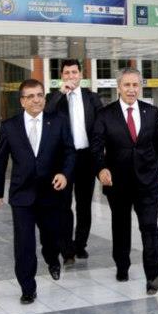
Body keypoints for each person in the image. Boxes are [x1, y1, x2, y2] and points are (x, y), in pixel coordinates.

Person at [0, 79, 76, 303]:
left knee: (51, 236)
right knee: (24, 243)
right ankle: (27, 287)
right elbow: (0, 161)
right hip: (22, 194)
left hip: (51, 192)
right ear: (22, 101)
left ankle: (52, 259)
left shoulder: (58, 121)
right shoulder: (10, 126)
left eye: (39, 95)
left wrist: (64, 174)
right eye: (30, 96)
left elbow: (70, 152)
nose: (36, 100)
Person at [91, 67, 158, 295]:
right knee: (121, 226)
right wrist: (100, 169)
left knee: (150, 227)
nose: (131, 89)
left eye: (135, 85)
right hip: (117, 183)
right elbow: (96, 147)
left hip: (148, 181)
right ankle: (122, 264)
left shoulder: (151, 112)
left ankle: (154, 276)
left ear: (140, 87)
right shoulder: (105, 114)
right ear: (118, 87)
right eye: (126, 85)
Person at [45, 59, 103, 263]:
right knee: (63, 205)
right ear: (62, 76)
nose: (71, 76)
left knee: (84, 205)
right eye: (67, 73)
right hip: (63, 161)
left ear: (81, 75)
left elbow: (101, 126)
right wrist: (61, 93)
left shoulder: (92, 98)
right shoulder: (54, 98)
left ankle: (80, 245)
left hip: (87, 158)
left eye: (74, 72)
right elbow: (46, 114)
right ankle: (67, 250)